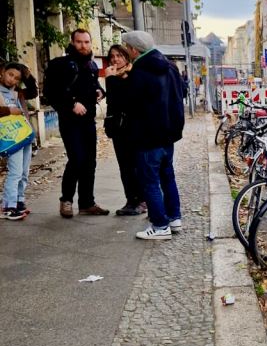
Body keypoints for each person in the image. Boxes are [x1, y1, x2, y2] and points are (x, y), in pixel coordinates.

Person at [121, 30, 185, 240]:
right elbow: (180, 95)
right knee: (168, 176)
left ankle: (159, 226)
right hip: (168, 135)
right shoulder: (170, 67)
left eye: (126, 48)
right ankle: (174, 218)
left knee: (149, 182)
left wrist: (118, 81)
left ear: (133, 49)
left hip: (148, 136)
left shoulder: (139, 72)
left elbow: (130, 104)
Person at [44, 28, 109, 217]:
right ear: (73, 42)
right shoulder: (59, 64)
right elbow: (51, 92)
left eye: (87, 42)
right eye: (79, 42)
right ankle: (66, 200)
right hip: (69, 120)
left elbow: (94, 85)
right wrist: (71, 103)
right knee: (77, 159)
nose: (83, 45)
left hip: (88, 120)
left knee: (90, 161)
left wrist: (99, 92)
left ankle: (87, 202)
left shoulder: (92, 66)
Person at [104, 44, 144, 215]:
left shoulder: (132, 74)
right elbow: (111, 104)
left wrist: (111, 80)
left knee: (135, 166)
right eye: (112, 56)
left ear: (126, 57)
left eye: (119, 55)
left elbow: (123, 101)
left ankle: (141, 200)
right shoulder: (114, 76)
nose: (115, 59)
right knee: (124, 166)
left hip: (133, 127)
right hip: (118, 128)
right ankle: (131, 200)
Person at [0, 62, 34, 219]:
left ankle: (19, 200)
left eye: (16, 78)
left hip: (24, 134)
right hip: (10, 137)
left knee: (24, 171)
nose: (12, 79)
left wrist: (27, 75)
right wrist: (8, 111)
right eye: (10, 74)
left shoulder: (18, 91)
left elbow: (33, 92)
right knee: (15, 171)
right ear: (2, 72)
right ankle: (8, 206)